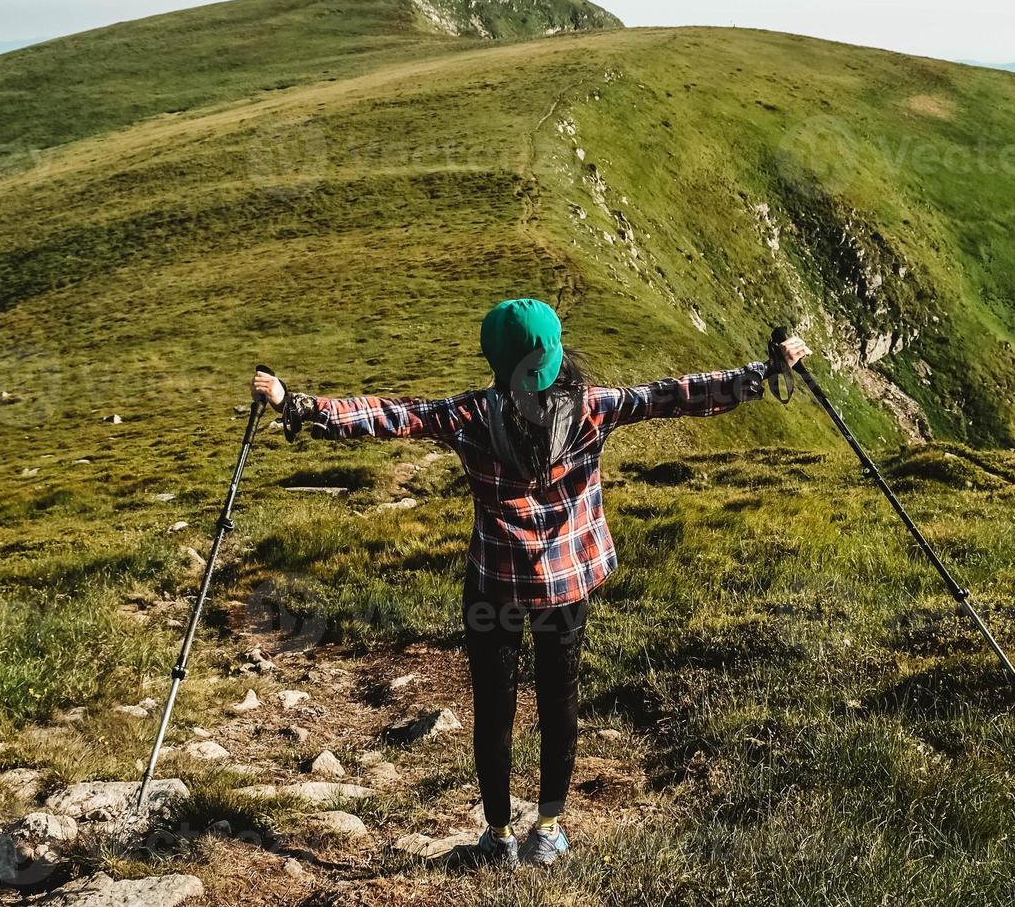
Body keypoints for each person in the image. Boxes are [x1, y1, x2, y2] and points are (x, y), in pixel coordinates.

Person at [252, 299, 810, 867]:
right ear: (556, 352)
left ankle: (497, 839)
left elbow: (392, 415)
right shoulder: (595, 407)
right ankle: (547, 830)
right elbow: (673, 395)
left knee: (494, 710)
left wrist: (297, 405)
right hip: (565, 588)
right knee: (558, 703)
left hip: (494, 585)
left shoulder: (469, 414)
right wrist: (764, 372)